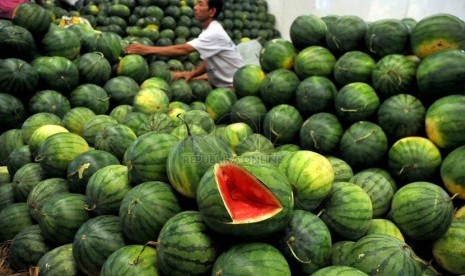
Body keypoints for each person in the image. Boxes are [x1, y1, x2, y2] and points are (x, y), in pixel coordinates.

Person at [124, 0, 244, 88]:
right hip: (223, 82)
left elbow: (183, 50)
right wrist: (193, 74)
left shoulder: (214, 33)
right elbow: (210, 58)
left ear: (211, 11)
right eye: (196, 3)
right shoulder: (211, 29)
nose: (195, 7)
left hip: (233, 87)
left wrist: (147, 50)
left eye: (200, 4)